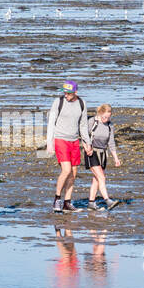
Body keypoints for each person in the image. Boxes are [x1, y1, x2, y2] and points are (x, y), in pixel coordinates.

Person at [45, 80, 89, 213]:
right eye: (64, 93)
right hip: (60, 139)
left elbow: (83, 125)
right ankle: (57, 199)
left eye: (69, 93)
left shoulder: (82, 103)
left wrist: (87, 142)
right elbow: (51, 122)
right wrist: (49, 142)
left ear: (75, 92)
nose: (66, 95)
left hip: (74, 141)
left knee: (73, 173)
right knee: (66, 170)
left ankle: (67, 202)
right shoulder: (58, 102)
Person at [84, 103, 122, 209]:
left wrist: (116, 158)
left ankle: (91, 203)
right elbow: (83, 135)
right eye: (105, 117)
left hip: (103, 154)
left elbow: (111, 143)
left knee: (96, 179)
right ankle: (107, 201)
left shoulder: (110, 125)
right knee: (101, 177)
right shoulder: (92, 122)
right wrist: (87, 147)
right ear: (100, 114)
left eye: (109, 117)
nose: (106, 119)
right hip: (91, 152)